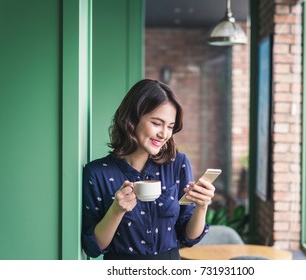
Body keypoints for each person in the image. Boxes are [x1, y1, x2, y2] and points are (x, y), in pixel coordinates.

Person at [82, 79, 216, 260]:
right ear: (132, 119)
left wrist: (202, 206)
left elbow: (189, 237)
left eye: (170, 126)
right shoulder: (97, 173)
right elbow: (94, 247)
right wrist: (116, 210)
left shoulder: (178, 163)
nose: (164, 134)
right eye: (156, 123)